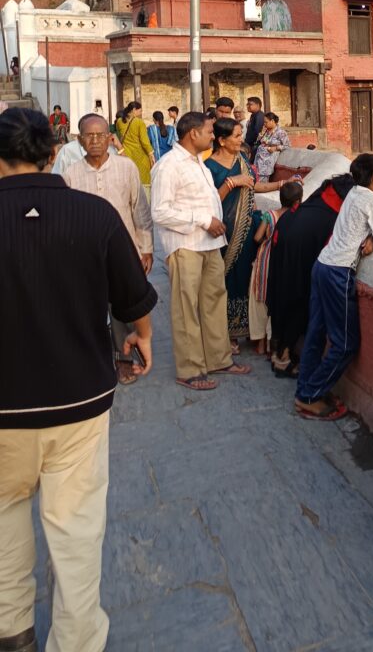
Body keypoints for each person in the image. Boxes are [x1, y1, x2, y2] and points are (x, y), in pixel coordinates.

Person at [0, 107, 156, 652]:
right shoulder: (91, 215)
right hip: (79, 403)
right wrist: (141, 337)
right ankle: (74, 641)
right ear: (53, 151)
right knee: (76, 533)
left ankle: (13, 634)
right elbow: (134, 296)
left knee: (3, 530)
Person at [151, 111, 251, 391]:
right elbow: (160, 211)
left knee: (214, 302)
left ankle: (219, 358)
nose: (212, 135)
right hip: (186, 245)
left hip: (210, 244)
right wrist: (204, 220)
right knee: (187, 308)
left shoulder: (198, 163)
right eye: (208, 131)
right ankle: (190, 368)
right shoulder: (169, 165)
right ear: (193, 133)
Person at [295, 154, 373, 420]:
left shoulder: (353, 193)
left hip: (322, 264)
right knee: (345, 343)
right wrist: (372, 236)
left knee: (316, 332)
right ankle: (309, 395)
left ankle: (305, 389)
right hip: (338, 272)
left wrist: (368, 235)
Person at [63, 114, 153, 387]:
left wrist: (146, 248)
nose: (95, 140)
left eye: (100, 135)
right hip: (86, 255)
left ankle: (124, 361)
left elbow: (140, 210)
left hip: (123, 253)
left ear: (109, 137)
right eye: (88, 136)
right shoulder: (71, 175)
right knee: (88, 309)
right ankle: (93, 362)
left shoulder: (126, 168)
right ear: (79, 140)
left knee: (123, 309)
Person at [204, 117, 282, 349]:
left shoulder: (242, 160)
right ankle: (225, 334)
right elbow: (209, 202)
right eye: (237, 136)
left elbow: (252, 185)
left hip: (247, 231)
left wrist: (280, 185)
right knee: (225, 281)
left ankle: (247, 328)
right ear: (221, 140)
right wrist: (231, 183)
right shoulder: (208, 168)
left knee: (246, 280)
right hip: (222, 233)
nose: (241, 140)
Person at [267, 174, 355, 376]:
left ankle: (277, 351)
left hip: (286, 234)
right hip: (302, 253)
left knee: (282, 293)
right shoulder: (336, 212)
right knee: (299, 300)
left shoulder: (316, 200)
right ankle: (284, 357)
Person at [249, 181, 304, 355]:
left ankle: (260, 343)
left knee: (260, 300)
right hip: (284, 264)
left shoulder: (270, 216)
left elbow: (257, 238)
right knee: (277, 301)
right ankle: (273, 345)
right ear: (299, 201)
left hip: (265, 261)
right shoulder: (298, 219)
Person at [115, 101, 154, 193]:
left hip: (125, 155)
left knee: (128, 180)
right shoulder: (139, 122)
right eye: (140, 111)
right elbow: (145, 141)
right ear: (134, 110)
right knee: (143, 182)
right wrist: (151, 154)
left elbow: (119, 136)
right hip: (140, 156)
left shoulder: (119, 121)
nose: (141, 113)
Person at [254, 111, 290, 181]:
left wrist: (276, 148)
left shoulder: (281, 132)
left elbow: (287, 146)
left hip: (267, 161)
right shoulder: (266, 131)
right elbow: (260, 141)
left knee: (262, 180)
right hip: (259, 159)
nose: (264, 124)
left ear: (272, 121)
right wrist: (261, 134)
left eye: (266, 122)